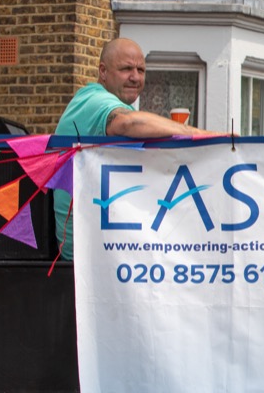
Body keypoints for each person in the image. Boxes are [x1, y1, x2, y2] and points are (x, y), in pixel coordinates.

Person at [53, 37, 217, 260]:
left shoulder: (106, 102)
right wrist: (201, 134)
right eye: (126, 69)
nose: (135, 77)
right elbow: (128, 123)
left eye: (141, 70)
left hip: (105, 244)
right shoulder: (94, 100)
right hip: (87, 259)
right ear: (103, 71)